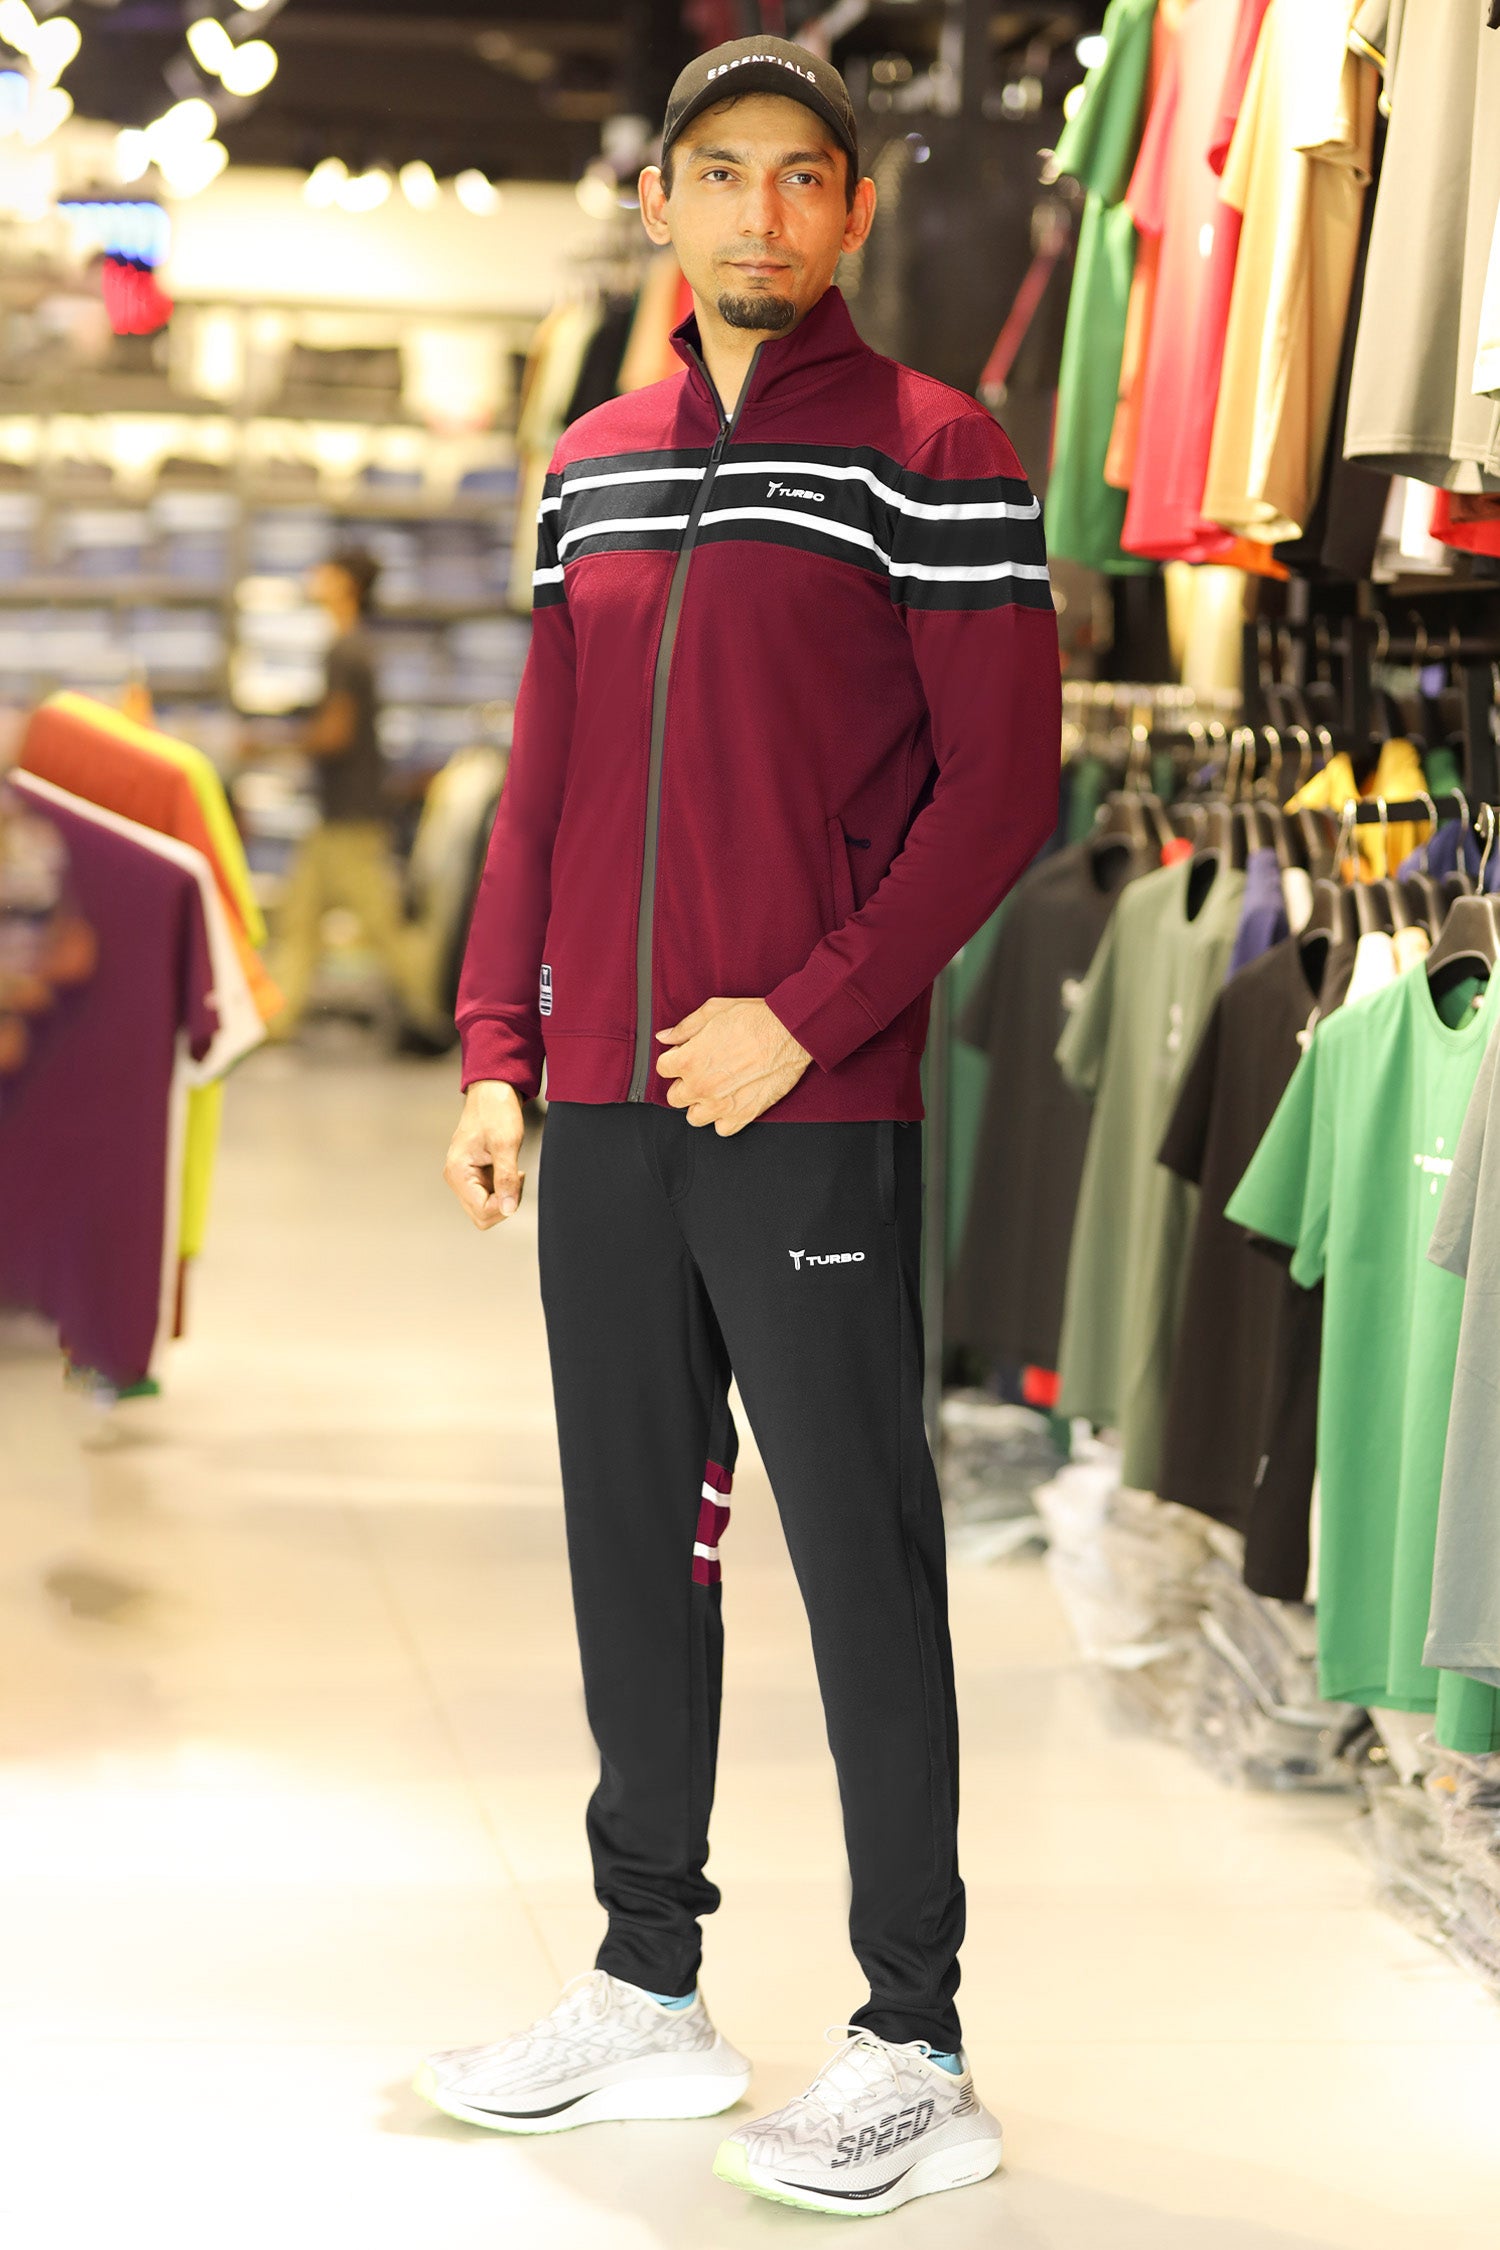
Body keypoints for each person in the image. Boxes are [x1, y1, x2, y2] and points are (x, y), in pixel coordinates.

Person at [426, 34, 1060, 2219]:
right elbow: (545, 779)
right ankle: (646, 1983)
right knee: (636, 1541)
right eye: (721, 174)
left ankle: (917, 2038)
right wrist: (497, 1045)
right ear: (662, 206)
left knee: (860, 1552)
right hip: (605, 1101)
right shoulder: (591, 463)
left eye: (804, 176)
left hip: (807, 1100)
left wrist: (806, 1018)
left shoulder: (936, 448)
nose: (760, 213)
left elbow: (1002, 793)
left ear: (856, 212)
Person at [261, 547, 439, 1042]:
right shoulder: (353, 645)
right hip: (341, 814)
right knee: (299, 922)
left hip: (350, 817)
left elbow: (335, 734)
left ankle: (440, 1012)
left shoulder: (345, 649)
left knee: (383, 928)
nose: (314, 576)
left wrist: (271, 742)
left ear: (347, 583)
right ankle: (274, 1020)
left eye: (326, 570)